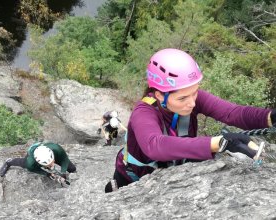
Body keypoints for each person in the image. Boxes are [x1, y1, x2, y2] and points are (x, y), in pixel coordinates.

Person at [104, 48, 276, 193]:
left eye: (195, 93)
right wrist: (219, 143)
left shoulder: (191, 98)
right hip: (132, 179)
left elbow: (233, 113)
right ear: (159, 95)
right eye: (182, 98)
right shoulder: (144, 112)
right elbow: (155, 145)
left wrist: (270, 117)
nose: (192, 103)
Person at [0, 142, 76, 187]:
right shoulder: (31, 163)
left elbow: (64, 159)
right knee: (22, 163)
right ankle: (9, 162)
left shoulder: (56, 148)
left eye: (53, 161)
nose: (52, 165)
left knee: (72, 168)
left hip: (47, 149)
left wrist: (63, 172)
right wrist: (47, 174)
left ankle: (52, 163)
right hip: (32, 154)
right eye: (49, 165)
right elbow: (35, 169)